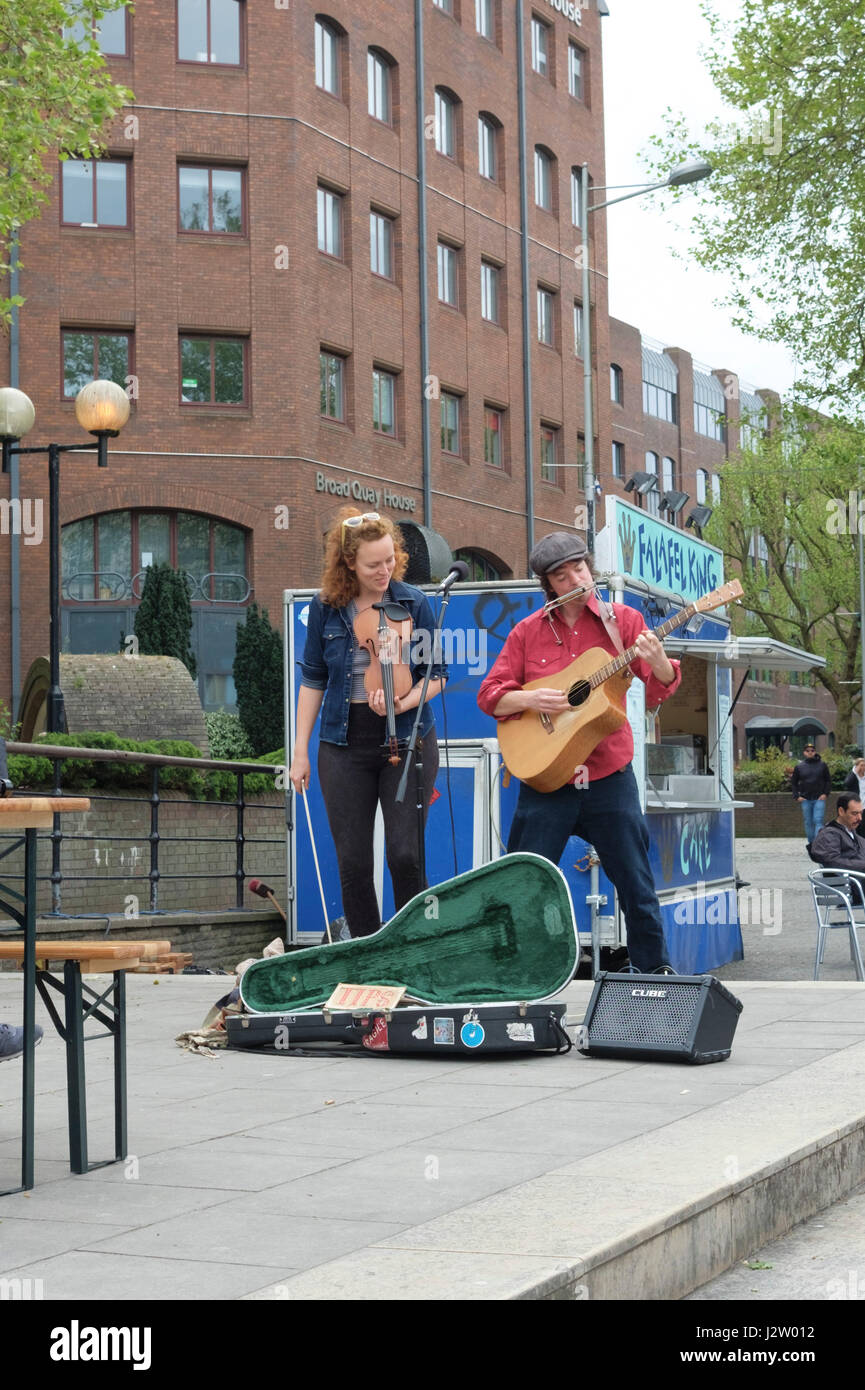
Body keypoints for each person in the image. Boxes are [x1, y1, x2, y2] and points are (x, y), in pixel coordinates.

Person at [477, 532, 682, 973]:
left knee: (635, 883)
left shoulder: (622, 621)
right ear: (548, 584)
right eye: (561, 574)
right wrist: (531, 700)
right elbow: (490, 695)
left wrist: (661, 660)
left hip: (608, 774)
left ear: (590, 568)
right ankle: (515, 977)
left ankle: (655, 977)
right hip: (547, 777)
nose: (574, 578)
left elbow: (660, 684)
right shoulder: (527, 632)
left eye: (579, 568)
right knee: (522, 881)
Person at [289, 508, 447, 938]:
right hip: (342, 743)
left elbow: (438, 675)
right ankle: (366, 955)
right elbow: (313, 678)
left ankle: (414, 948)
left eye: (390, 560)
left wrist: (403, 703)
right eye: (373, 565)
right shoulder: (326, 608)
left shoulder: (415, 602)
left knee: (404, 855)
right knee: (354, 862)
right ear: (349, 564)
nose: (384, 571)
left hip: (408, 739)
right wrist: (300, 751)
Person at [810, 793, 865, 873]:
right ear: (841, 811)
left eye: (861, 813)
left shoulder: (850, 831)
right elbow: (832, 861)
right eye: (854, 813)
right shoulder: (829, 834)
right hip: (851, 882)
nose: (860, 818)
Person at [791, 742, 831, 851]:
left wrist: (825, 793)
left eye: (812, 750)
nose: (810, 752)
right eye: (807, 751)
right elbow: (794, 782)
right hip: (805, 799)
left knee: (818, 820)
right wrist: (796, 796)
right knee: (808, 822)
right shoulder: (799, 767)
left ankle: (818, 843)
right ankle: (811, 843)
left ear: (815, 752)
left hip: (819, 798)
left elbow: (828, 780)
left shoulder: (822, 765)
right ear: (804, 753)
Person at [843, 759, 865, 839]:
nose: (863, 767)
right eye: (861, 765)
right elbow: (846, 783)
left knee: (863, 828)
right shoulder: (853, 776)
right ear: (856, 766)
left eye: (864, 765)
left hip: (864, 807)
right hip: (855, 807)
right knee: (855, 827)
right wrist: (855, 772)